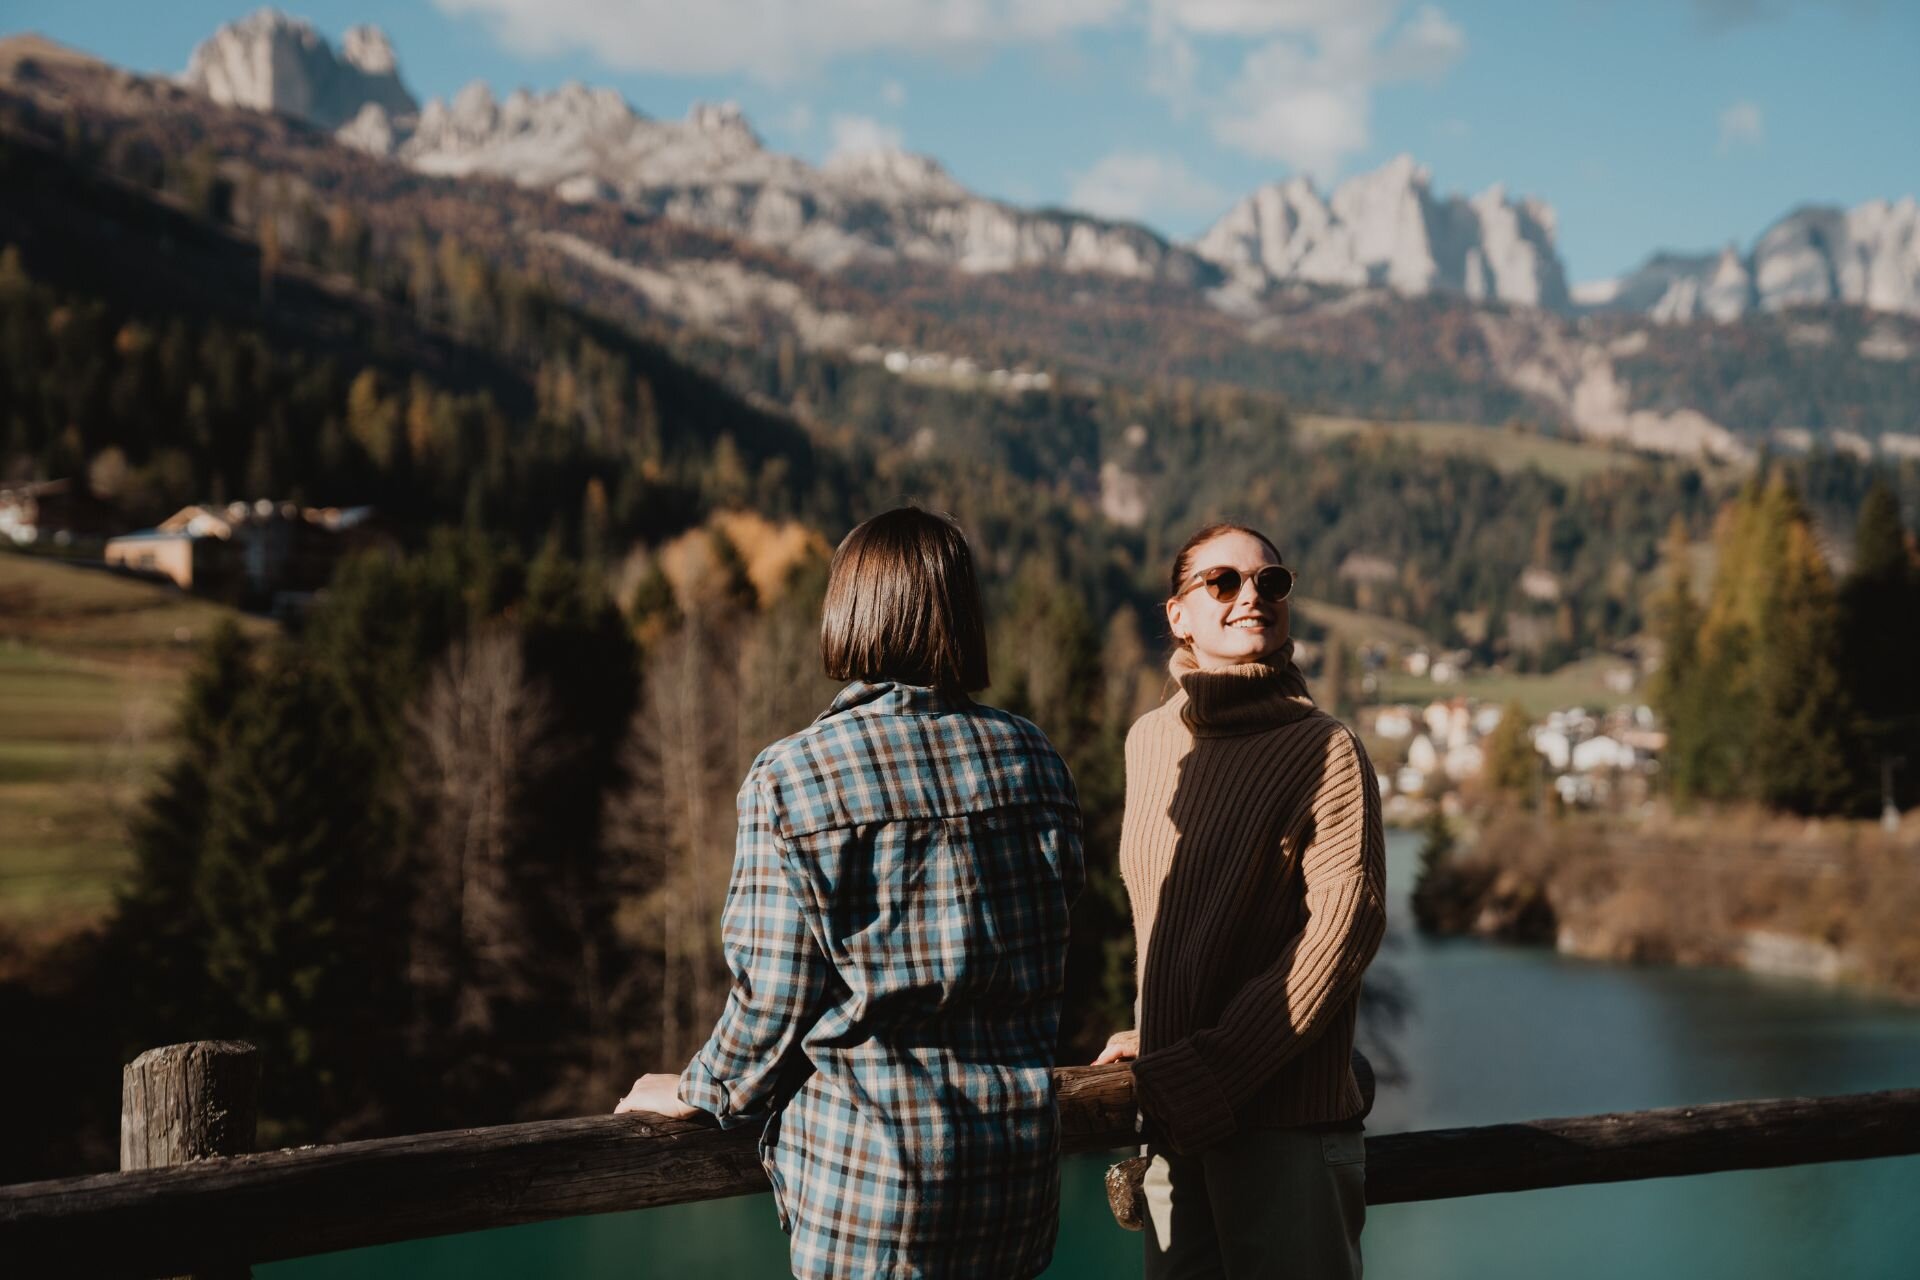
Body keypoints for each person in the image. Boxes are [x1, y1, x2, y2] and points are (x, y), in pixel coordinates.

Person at [617, 506, 1084, 1280]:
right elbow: (1047, 959)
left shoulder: (794, 776)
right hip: (1015, 1182)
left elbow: (774, 996)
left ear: (850, 610)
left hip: (873, 1190)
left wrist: (703, 1090)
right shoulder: (1036, 761)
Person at [1095, 522, 1387, 1279]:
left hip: (1282, 1127)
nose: (1251, 595)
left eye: (1271, 581)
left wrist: (1210, 1070)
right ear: (1178, 614)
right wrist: (1155, 1028)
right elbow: (1171, 917)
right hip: (1173, 1118)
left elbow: (1339, 938)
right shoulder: (1149, 742)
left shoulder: (1327, 749)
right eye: (1222, 582)